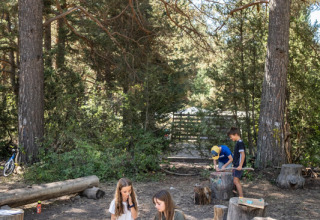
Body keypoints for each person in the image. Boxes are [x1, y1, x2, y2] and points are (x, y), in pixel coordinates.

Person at [227, 127, 246, 198]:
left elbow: (242, 155)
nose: (231, 138)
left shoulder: (240, 143)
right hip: (236, 165)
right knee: (235, 180)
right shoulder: (238, 143)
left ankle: (241, 197)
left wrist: (240, 165)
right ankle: (236, 193)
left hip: (238, 165)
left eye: (231, 136)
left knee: (236, 181)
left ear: (235, 134)